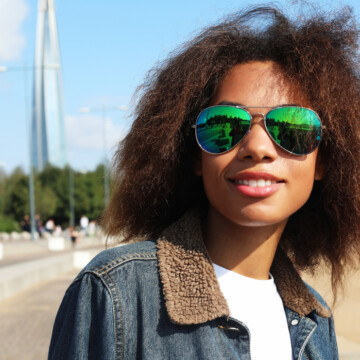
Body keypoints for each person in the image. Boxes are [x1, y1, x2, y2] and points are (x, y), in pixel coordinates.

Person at [48, 6, 360, 360]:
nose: (257, 148)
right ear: (195, 155)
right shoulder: (115, 292)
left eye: (292, 127)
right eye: (223, 124)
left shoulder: (316, 321)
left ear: (325, 160)